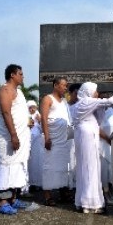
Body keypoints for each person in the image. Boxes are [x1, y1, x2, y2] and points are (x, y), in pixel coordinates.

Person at [72, 82, 113, 214]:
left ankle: (82, 201)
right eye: (95, 91)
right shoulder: (86, 101)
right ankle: (90, 204)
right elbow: (111, 100)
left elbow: (99, 117)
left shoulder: (81, 103)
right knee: (90, 169)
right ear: (88, 92)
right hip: (87, 136)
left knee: (85, 169)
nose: (97, 93)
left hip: (84, 135)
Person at [0, 64, 31, 215]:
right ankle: (2, 202)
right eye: (20, 74)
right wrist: (13, 135)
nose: (23, 77)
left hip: (20, 136)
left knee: (16, 168)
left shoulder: (18, 92)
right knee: (7, 167)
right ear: (12, 75)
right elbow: (6, 112)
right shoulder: (5, 90)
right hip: (8, 137)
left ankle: (13, 199)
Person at [40, 77, 72, 206]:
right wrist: (47, 137)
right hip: (52, 139)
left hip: (64, 140)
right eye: (64, 85)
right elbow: (44, 118)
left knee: (63, 166)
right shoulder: (47, 99)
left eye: (66, 86)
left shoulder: (65, 101)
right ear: (55, 85)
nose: (65, 88)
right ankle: (47, 195)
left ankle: (62, 191)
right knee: (50, 166)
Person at [98, 102, 113, 201]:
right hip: (102, 144)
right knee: (103, 169)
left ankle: (111, 188)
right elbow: (96, 127)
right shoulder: (97, 113)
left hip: (112, 143)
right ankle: (104, 191)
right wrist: (107, 139)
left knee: (111, 168)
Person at [66, 83, 82, 190]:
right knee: (69, 162)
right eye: (76, 93)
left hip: (81, 139)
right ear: (70, 93)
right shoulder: (65, 107)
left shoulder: (83, 106)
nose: (78, 96)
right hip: (68, 140)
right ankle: (68, 185)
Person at [27, 100, 44, 191]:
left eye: (34, 107)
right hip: (28, 142)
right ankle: (30, 183)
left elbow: (43, 129)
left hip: (37, 143)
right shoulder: (26, 116)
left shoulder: (38, 116)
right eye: (30, 107)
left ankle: (38, 183)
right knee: (30, 163)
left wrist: (40, 121)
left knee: (37, 162)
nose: (33, 109)